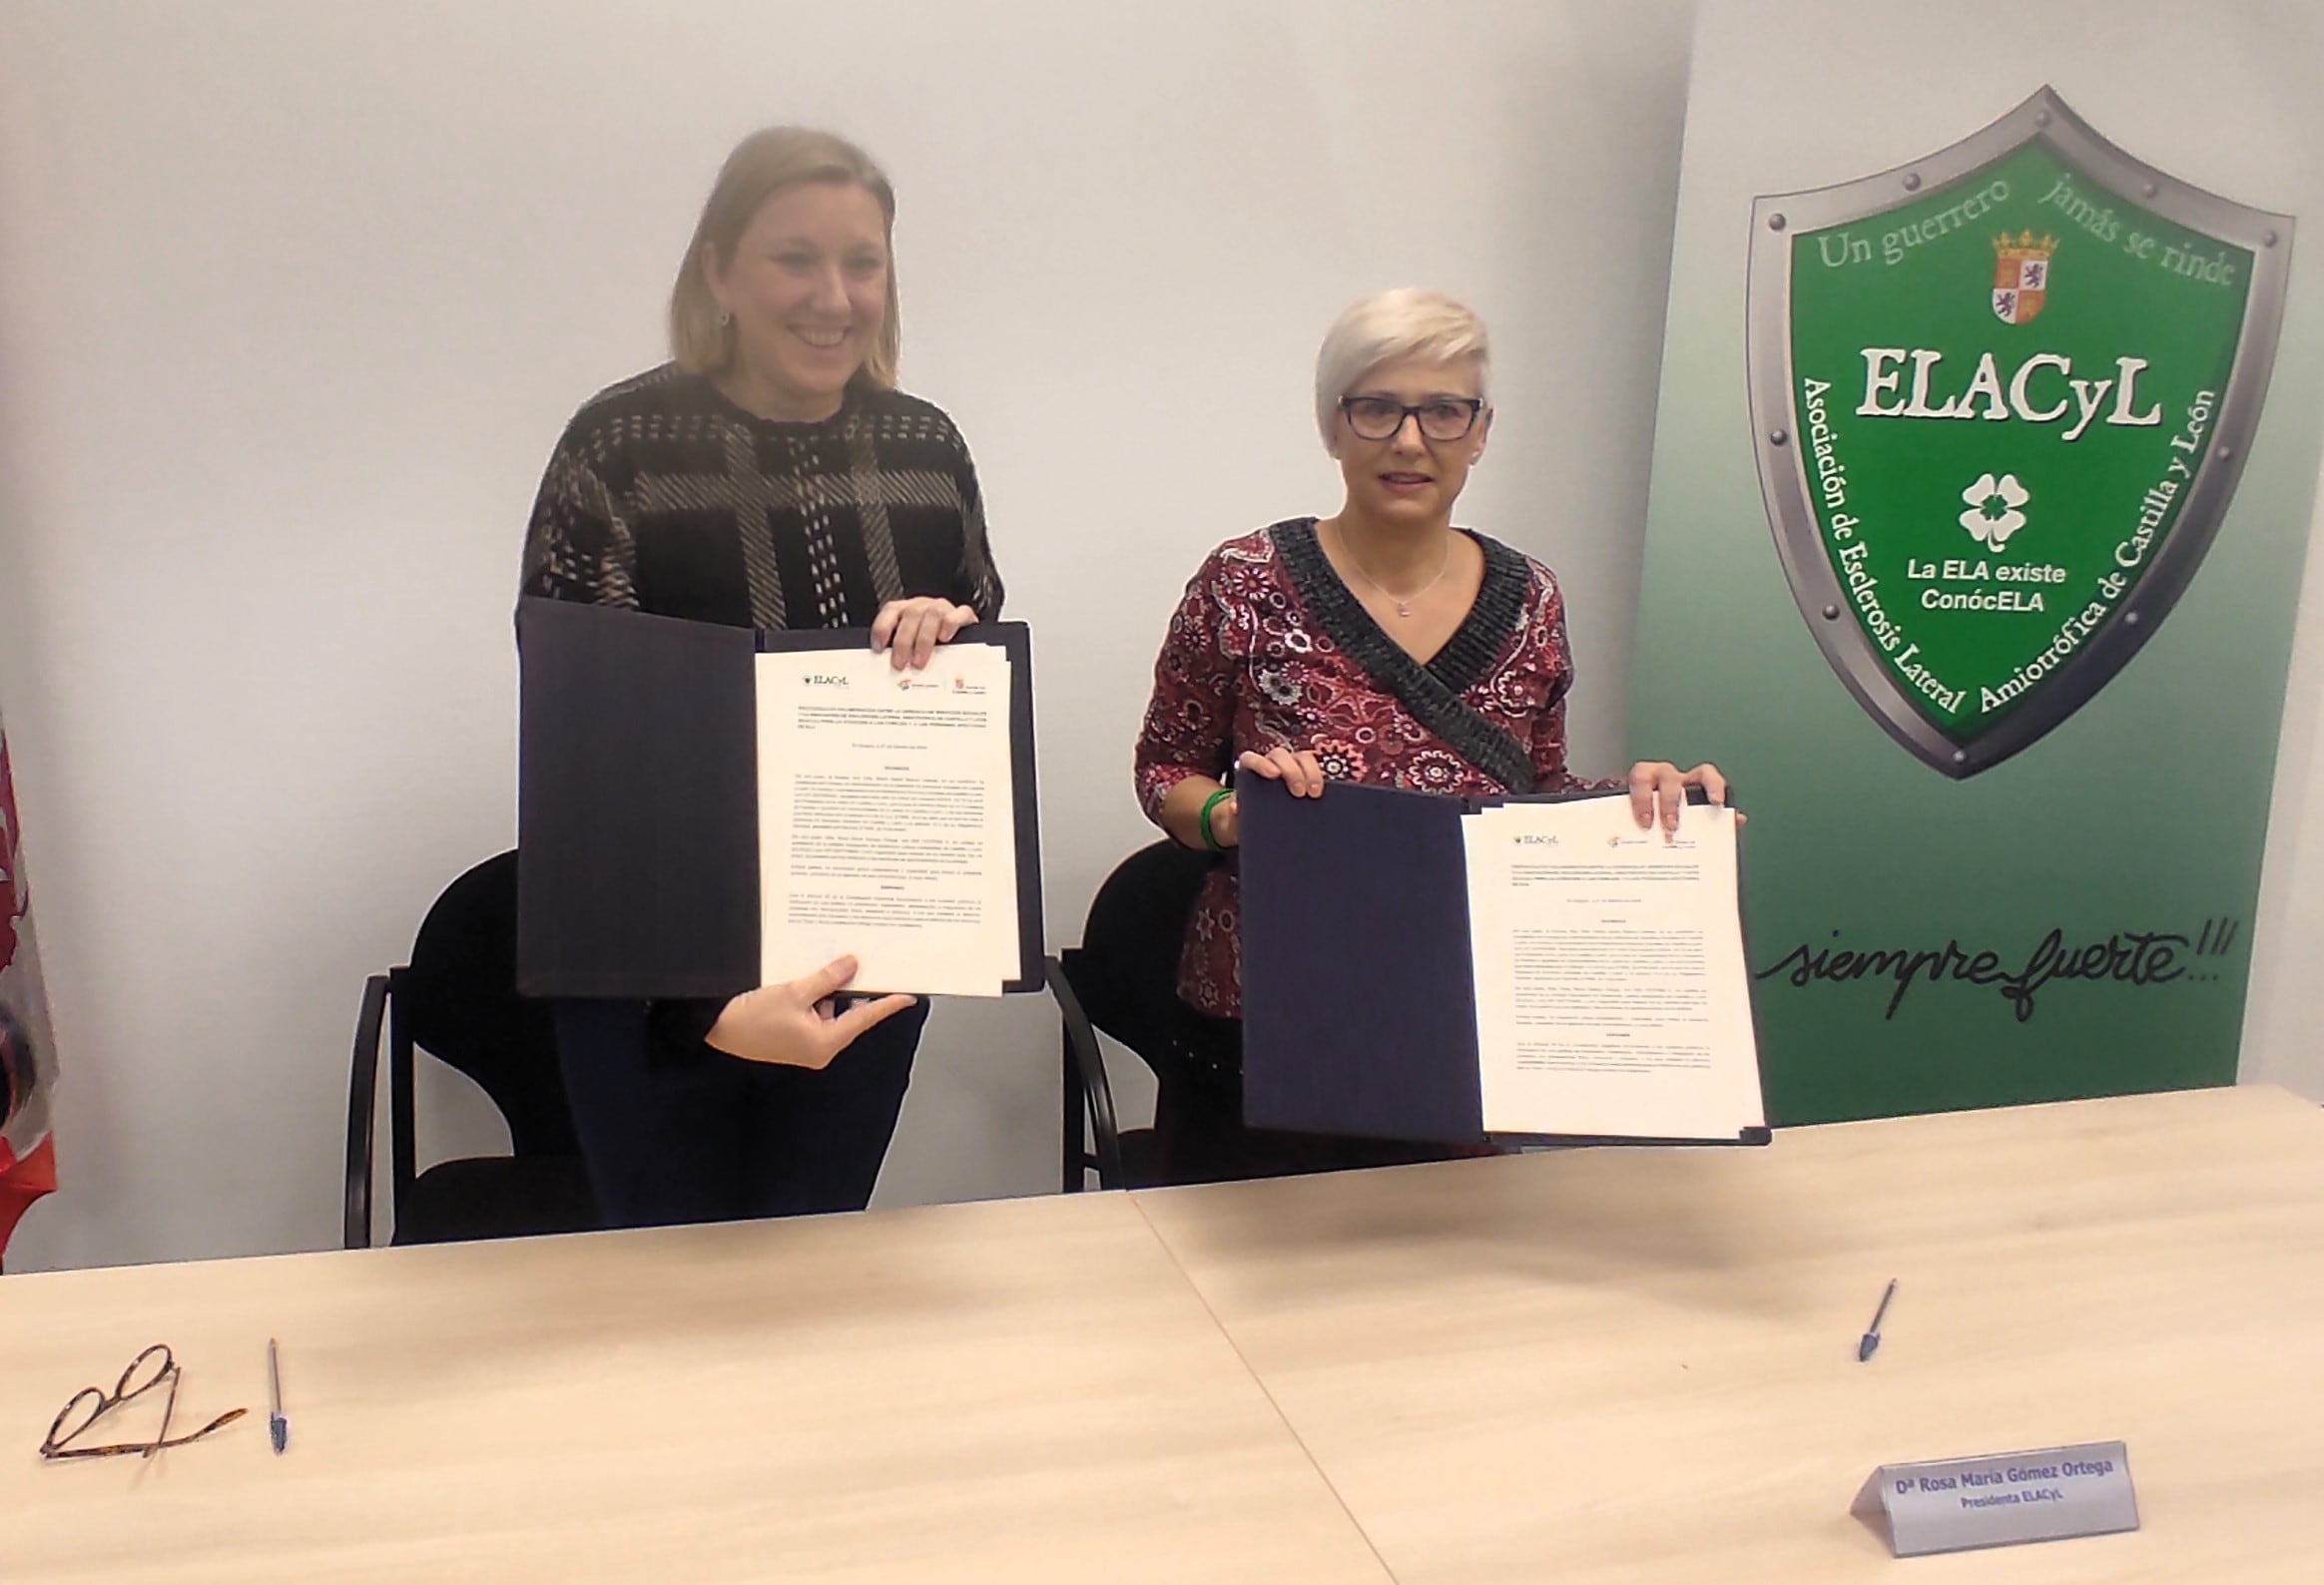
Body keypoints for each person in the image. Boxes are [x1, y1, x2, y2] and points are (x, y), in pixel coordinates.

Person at [518, 127, 1003, 1228]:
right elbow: (583, 757)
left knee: (813, 1292)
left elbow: (970, 692)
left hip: (861, 967)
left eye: (863, 262)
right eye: (795, 257)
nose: (834, 295)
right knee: (674, 1309)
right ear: (719, 270)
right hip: (652, 989)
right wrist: (703, 1006)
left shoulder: (928, 450)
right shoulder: (620, 443)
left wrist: (949, 640)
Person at [1132, 288, 1728, 1184]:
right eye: (1376, 407)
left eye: (1443, 411)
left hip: (1461, 1021)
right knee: (1244, 1298)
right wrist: (1228, 815)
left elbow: (1536, 799)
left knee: (1441, 1300)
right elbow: (1163, 769)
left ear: (1480, 432)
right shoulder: (1243, 580)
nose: (1410, 441)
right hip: (1267, 1028)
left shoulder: (1532, 598)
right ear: (1334, 427)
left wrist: (1647, 808)